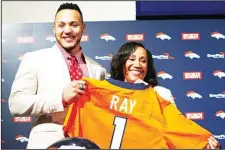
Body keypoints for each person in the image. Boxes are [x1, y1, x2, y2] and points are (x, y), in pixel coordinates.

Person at [8, 2, 106, 149]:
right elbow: (16, 104)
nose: (67, 30)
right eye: (61, 25)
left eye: (74, 25)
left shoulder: (98, 70)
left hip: (87, 143)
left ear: (83, 28)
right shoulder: (34, 59)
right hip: (47, 144)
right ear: (54, 29)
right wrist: (60, 98)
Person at [109, 41, 220, 149]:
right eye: (132, 59)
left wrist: (202, 142)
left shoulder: (161, 93)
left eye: (143, 61)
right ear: (121, 62)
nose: (137, 64)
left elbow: (176, 128)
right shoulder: (109, 93)